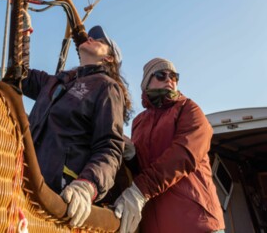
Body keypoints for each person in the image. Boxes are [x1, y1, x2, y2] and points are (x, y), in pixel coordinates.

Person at [22, 25, 132, 228]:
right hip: (24, 181)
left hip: (59, 196)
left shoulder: (106, 87)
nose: (91, 37)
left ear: (109, 58)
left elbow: (110, 146)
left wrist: (88, 184)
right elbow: (19, 74)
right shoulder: (56, 82)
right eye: (91, 36)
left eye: (99, 39)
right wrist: (22, 28)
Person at [114, 57, 225, 233]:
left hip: (196, 223)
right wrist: (132, 155)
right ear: (146, 84)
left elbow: (184, 155)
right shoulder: (138, 122)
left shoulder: (189, 108)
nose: (169, 80)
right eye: (161, 75)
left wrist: (140, 190)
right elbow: (143, 169)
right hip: (154, 225)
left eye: (174, 76)